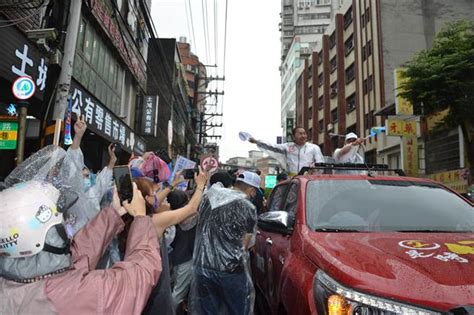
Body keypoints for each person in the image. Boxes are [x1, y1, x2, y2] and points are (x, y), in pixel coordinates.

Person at [0, 181, 162, 314]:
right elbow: (139, 277)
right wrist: (141, 218)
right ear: (37, 239)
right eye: (60, 221)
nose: (67, 223)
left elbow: (75, 258)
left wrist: (113, 214)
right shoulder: (72, 295)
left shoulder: (19, 277)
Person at [191, 171, 259, 315]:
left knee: (207, 311)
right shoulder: (248, 207)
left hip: (203, 267)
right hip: (232, 271)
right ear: (252, 191)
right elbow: (245, 244)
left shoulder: (207, 200)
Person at [249, 127, 324, 176]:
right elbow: (272, 146)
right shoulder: (287, 147)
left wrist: (313, 172)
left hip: (308, 180)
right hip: (292, 180)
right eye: (300, 134)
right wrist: (257, 141)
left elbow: (321, 165)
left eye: (304, 133)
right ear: (293, 136)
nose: (303, 136)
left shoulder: (314, 148)